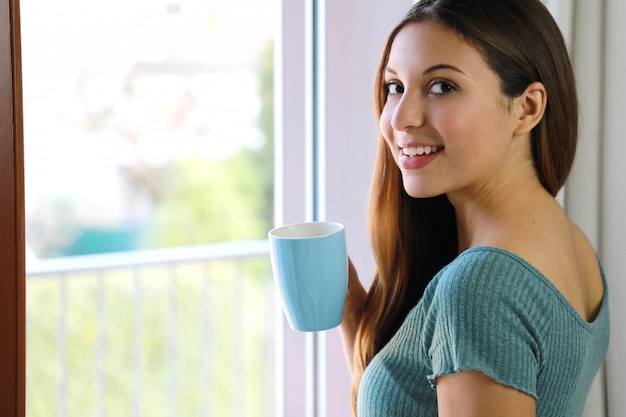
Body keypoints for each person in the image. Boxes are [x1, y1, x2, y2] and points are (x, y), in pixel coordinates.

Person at [339, 0, 610, 416]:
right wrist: (356, 325)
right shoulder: (569, 240)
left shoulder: (479, 286)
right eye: (395, 86)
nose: (401, 119)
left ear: (528, 107)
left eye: (442, 86)